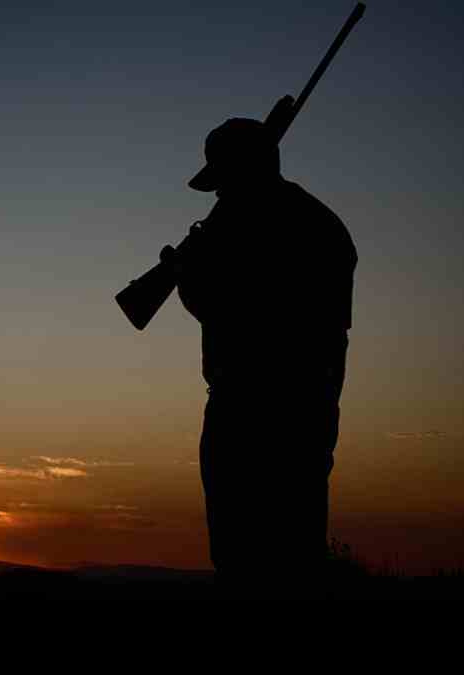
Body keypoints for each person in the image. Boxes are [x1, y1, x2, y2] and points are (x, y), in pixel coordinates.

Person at [163, 117, 357, 578]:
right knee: (293, 549)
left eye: (222, 181)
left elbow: (235, 313)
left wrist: (187, 278)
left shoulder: (253, 228)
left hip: (250, 408)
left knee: (242, 553)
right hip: (307, 408)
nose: (218, 195)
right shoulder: (320, 223)